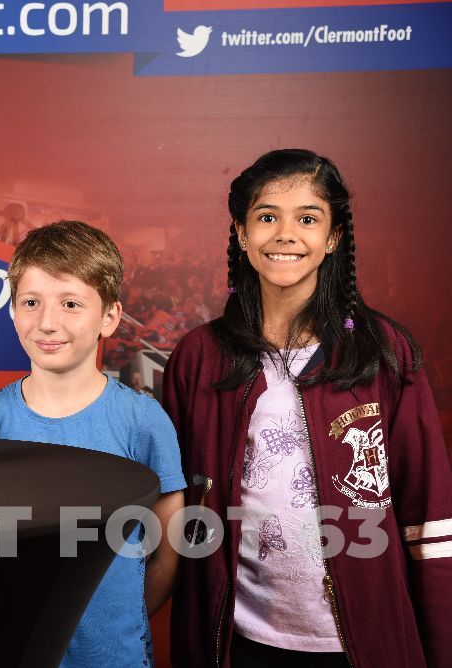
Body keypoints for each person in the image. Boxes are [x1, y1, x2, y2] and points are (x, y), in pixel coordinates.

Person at [162, 149, 452, 667]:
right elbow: (177, 510)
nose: (285, 234)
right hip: (241, 640)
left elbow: (427, 515)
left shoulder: (384, 351)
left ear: (333, 237)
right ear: (241, 232)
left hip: (360, 643)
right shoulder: (199, 357)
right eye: (267, 216)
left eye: (308, 219)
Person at [0, 220, 186, 667]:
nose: (48, 323)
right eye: (31, 302)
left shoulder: (142, 421)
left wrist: (121, 624)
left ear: (109, 317)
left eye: (70, 304)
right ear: (12, 310)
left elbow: (169, 551)